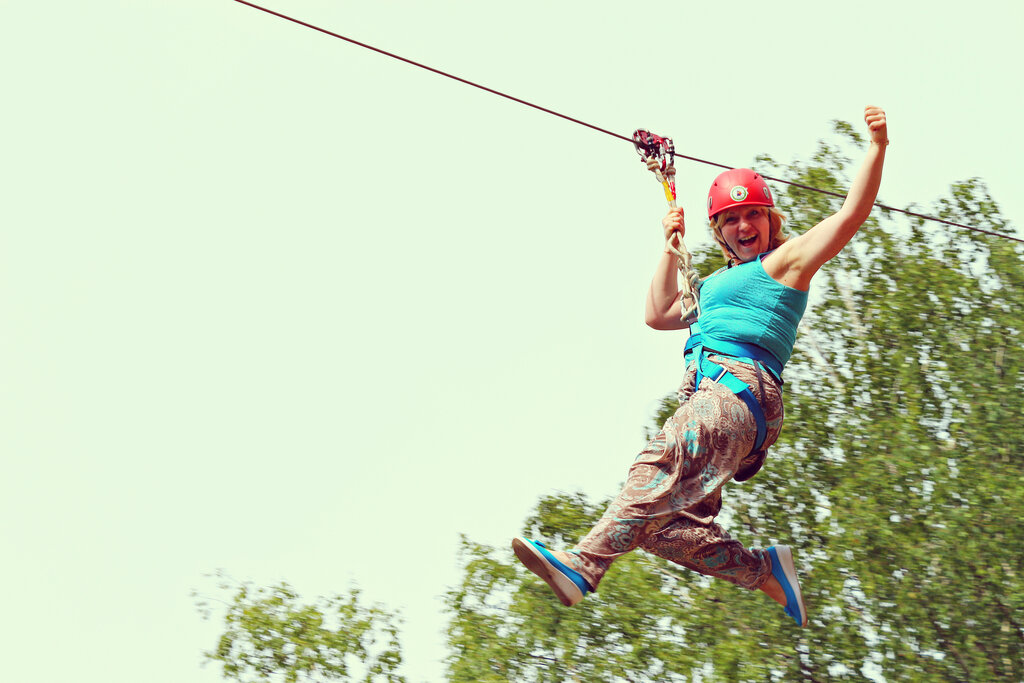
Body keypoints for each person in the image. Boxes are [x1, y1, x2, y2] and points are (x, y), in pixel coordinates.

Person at [513, 106, 888, 628]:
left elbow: (850, 214)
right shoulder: (711, 287)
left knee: (657, 462)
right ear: (719, 232)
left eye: (752, 214)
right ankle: (764, 574)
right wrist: (670, 246)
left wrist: (876, 147)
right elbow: (657, 313)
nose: (743, 225)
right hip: (720, 407)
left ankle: (583, 566)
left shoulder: (784, 263)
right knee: (659, 526)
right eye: (730, 220)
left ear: (770, 219)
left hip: (737, 394)